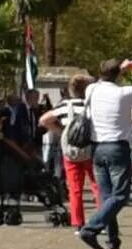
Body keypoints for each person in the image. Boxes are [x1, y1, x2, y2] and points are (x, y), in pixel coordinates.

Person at [78, 54, 132, 249]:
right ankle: (91, 228)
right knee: (120, 195)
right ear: (118, 75)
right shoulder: (124, 93)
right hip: (117, 147)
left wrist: (121, 69)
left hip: (97, 147)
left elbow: (104, 78)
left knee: (107, 195)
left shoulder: (91, 89)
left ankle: (113, 240)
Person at [39, 76, 96, 232]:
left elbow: (44, 120)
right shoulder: (90, 104)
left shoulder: (64, 105)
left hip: (70, 151)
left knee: (75, 188)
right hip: (90, 149)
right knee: (96, 185)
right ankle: (101, 219)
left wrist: (62, 131)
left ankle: (78, 222)